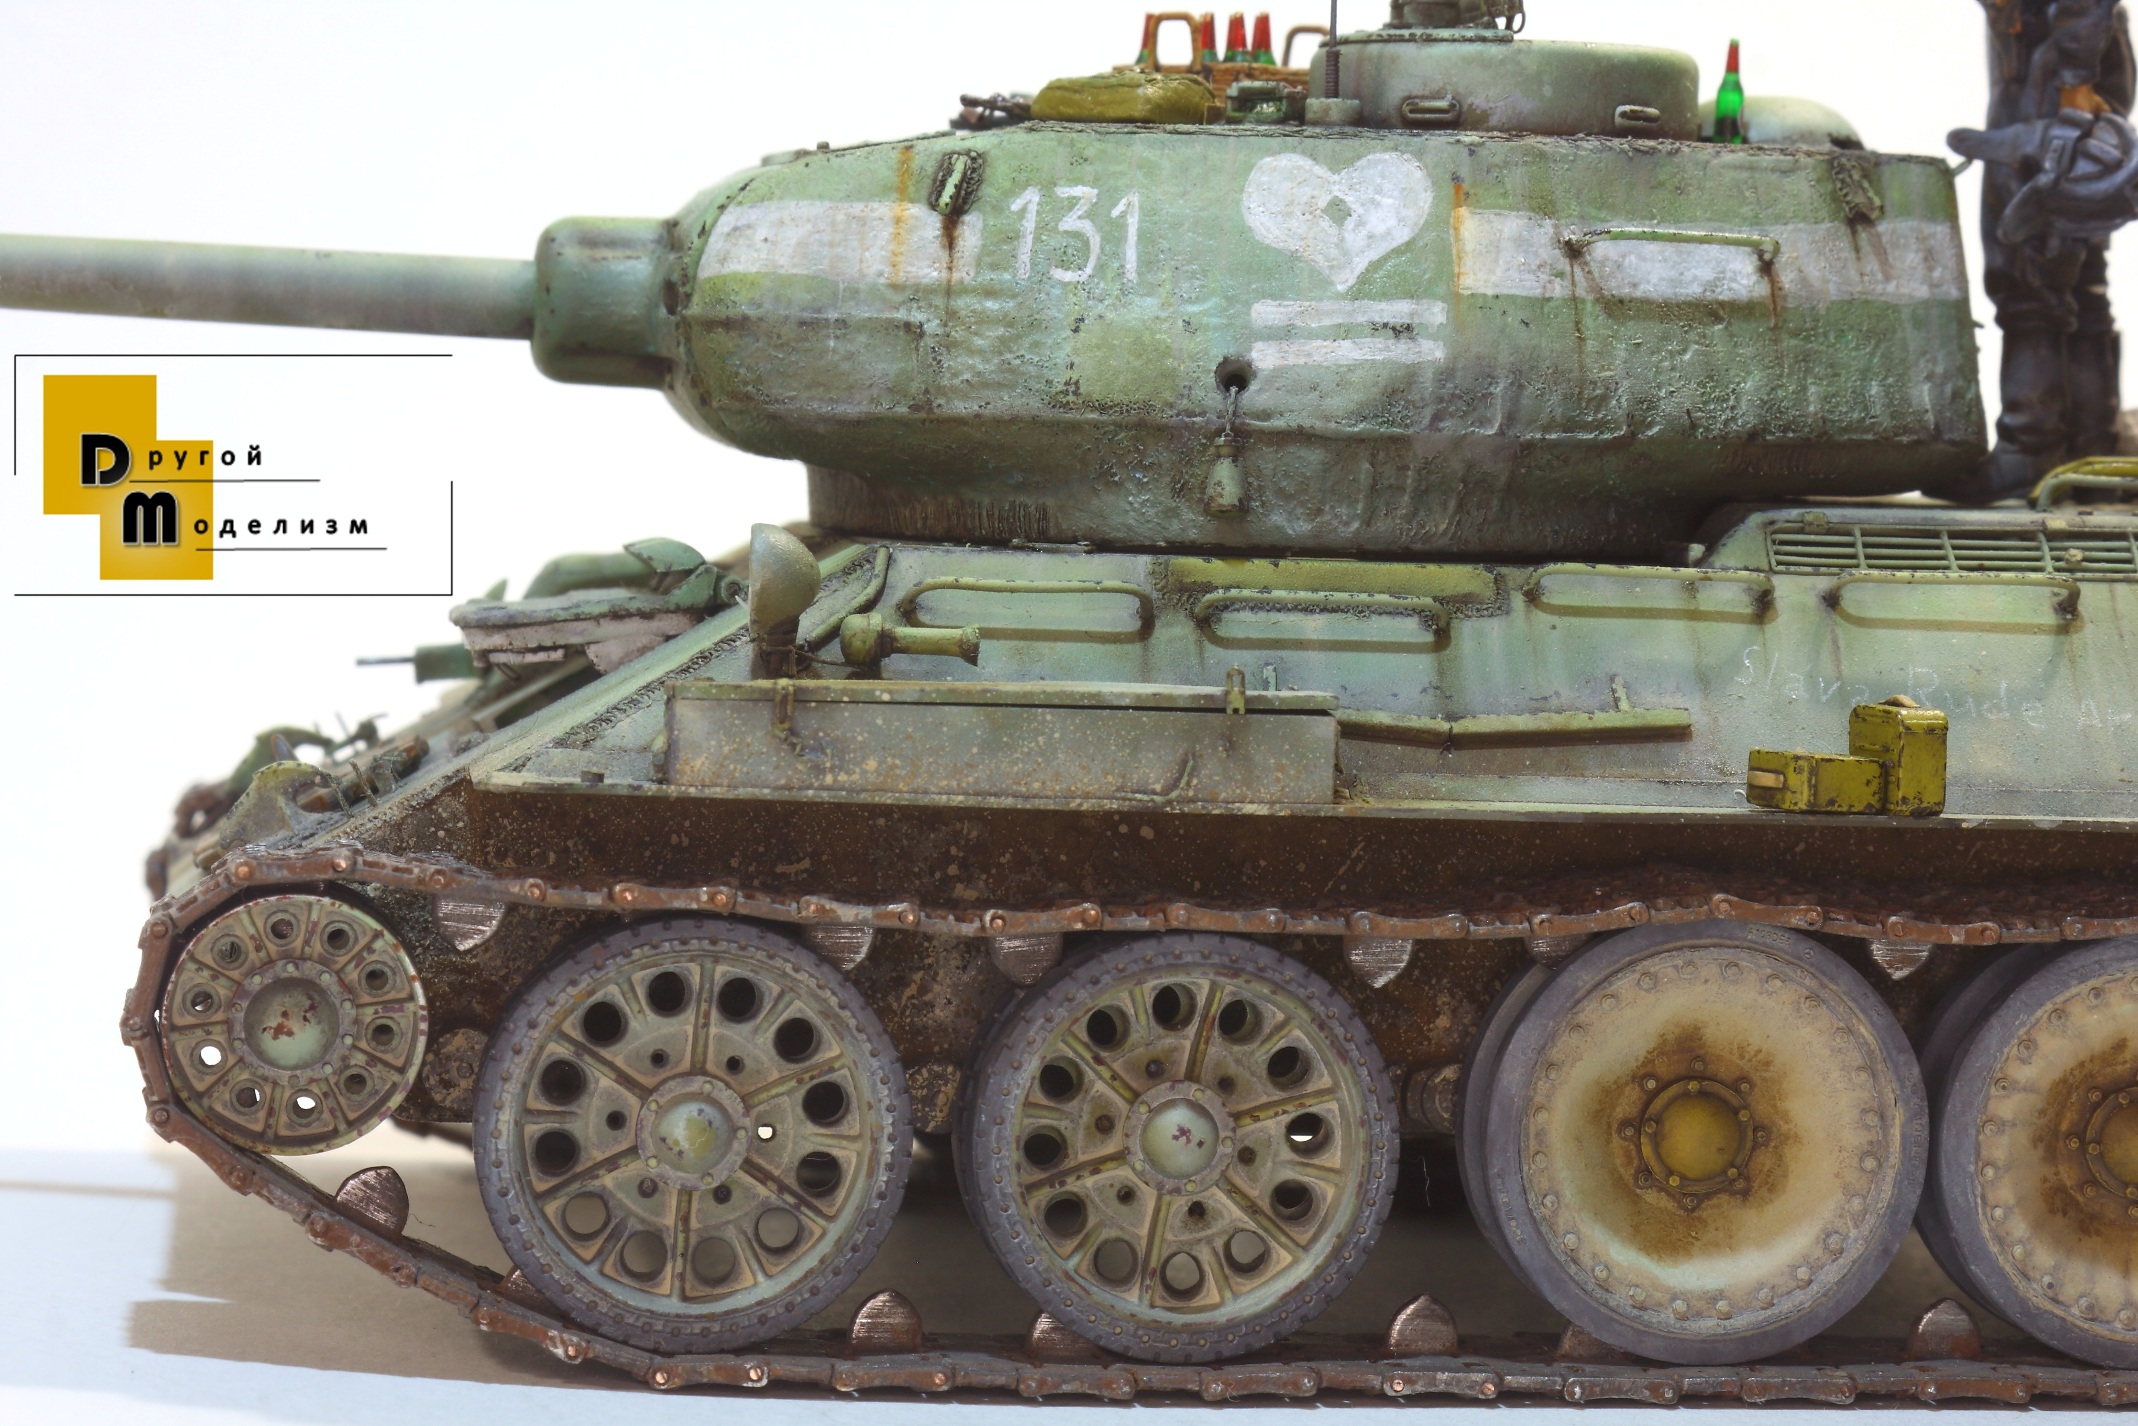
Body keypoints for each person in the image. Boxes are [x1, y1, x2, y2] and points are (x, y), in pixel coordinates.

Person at [1964, 0, 2136, 500]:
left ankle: (2030, 449)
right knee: (2075, 271)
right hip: (2058, 53)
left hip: (2057, 60)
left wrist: (2074, 79)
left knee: (2028, 270)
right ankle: (2090, 454)